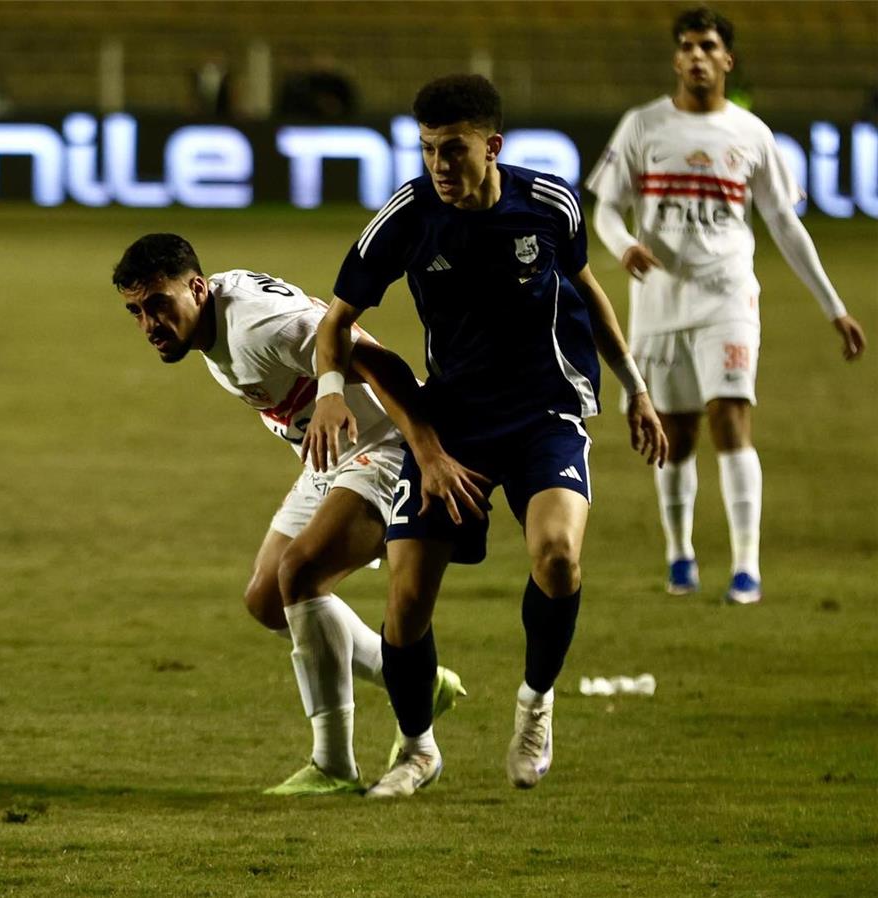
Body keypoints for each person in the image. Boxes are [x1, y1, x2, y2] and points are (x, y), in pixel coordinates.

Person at [304, 74, 667, 798]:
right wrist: (329, 392)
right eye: (428, 149)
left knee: (558, 557)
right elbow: (336, 323)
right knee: (406, 602)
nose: (439, 164)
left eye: (454, 149)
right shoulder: (405, 217)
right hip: (453, 421)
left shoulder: (549, 203)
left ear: (491, 146)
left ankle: (536, 704)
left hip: (544, 413)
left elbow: (587, 290)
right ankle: (416, 750)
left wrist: (636, 389)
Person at [111, 234, 465, 797]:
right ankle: (418, 684)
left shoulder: (258, 328)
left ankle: (333, 764)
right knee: (266, 598)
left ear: (198, 289)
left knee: (300, 574)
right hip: (331, 454)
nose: (149, 323)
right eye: (136, 311)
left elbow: (376, 359)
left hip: (387, 443)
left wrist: (426, 451)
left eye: (159, 304)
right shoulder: (215, 315)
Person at [586, 6, 867, 605]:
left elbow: (785, 226)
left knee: (731, 418)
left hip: (728, 294)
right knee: (677, 434)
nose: (696, 56)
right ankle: (680, 554)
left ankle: (746, 566)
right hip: (659, 302)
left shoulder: (752, 134)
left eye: (707, 46)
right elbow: (605, 207)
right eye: (686, 46)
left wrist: (834, 307)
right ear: (676, 58)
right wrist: (624, 244)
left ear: (726, 60)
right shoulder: (642, 126)